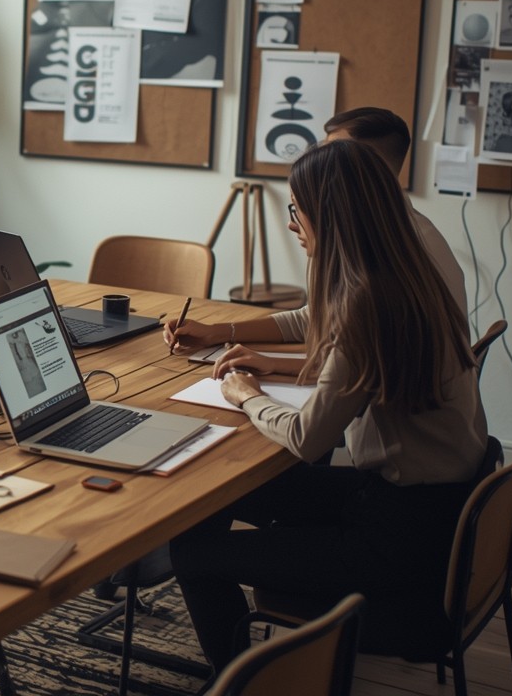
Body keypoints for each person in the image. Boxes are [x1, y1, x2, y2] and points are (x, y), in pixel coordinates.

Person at [164, 140, 489, 679]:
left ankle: (248, 686)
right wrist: (260, 356)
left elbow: (308, 439)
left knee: (192, 556)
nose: (292, 223)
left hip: (395, 538)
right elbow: (345, 360)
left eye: (297, 208)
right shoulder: (406, 278)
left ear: (332, 215)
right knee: (220, 495)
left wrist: (247, 395)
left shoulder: (370, 305)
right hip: (429, 512)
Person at [165, 107, 467, 378]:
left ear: (365, 167)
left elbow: (368, 367)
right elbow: (316, 318)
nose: (320, 162)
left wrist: (269, 367)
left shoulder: (403, 249)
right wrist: (218, 332)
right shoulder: (362, 229)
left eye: (334, 153)